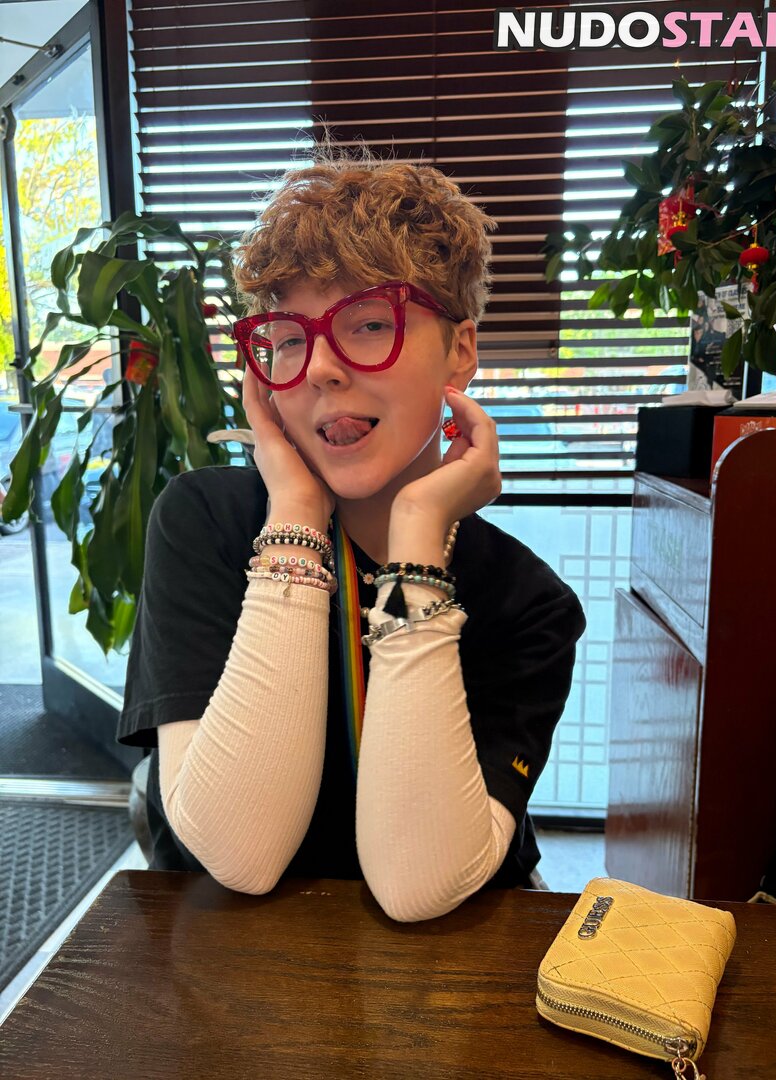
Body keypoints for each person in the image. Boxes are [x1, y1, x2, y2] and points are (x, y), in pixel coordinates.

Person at [116, 138, 586, 922]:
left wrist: (416, 539)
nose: (321, 368)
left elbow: (417, 886)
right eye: (288, 339)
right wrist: (297, 516)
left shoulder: (527, 601)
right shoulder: (207, 523)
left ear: (460, 350)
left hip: (448, 972)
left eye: (369, 324)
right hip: (235, 968)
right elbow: (238, 852)